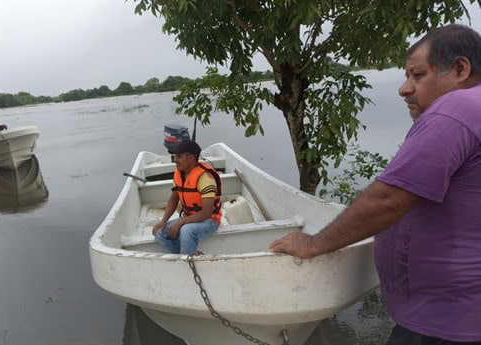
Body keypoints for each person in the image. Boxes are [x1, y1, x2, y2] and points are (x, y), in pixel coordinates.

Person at [269, 24, 481, 344]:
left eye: (417, 75)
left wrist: (312, 244)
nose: (404, 89)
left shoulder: (458, 108)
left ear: (460, 69)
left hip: (444, 325)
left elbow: (388, 199)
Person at [152, 140, 222, 255]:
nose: (175, 160)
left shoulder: (205, 178)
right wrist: (163, 221)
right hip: (189, 218)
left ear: (190, 158)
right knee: (160, 233)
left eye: (179, 156)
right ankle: (186, 257)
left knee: (187, 230)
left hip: (210, 221)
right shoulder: (180, 174)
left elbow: (207, 213)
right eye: (174, 156)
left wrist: (181, 222)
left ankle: (187, 259)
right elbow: (174, 199)